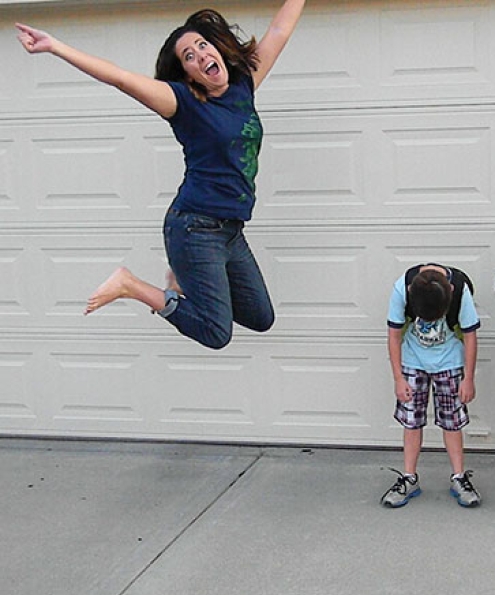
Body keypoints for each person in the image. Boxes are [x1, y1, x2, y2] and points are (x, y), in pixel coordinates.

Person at [15, 2, 306, 349]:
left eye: (202, 45)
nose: (200, 55)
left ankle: (183, 277)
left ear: (216, 47)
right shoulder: (181, 101)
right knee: (216, 333)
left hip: (230, 231)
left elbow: (279, 31)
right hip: (194, 227)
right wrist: (55, 46)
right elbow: (119, 77)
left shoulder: (243, 84)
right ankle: (131, 285)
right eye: (188, 56)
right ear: (187, 74)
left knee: (261, 318)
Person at [381, 264, 482, 508]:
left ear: (449, 290)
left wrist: (468, 378)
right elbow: (394, 335)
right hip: (412, 360)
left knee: (452, 421)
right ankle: (409, 477)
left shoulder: (460, 289)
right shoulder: (401, 288)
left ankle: (458, 476)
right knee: (411, 420)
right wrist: (398, 378)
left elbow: (470, 336)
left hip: (449, 360)